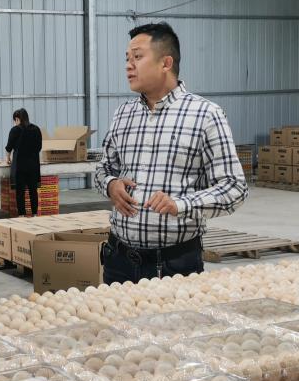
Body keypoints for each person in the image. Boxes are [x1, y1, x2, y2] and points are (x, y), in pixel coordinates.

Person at [95, 22, 248, 284]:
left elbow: (234, 188)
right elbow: (103, 169)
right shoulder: (123, 114)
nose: (128, 66)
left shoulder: (205, 115)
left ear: (166, 63)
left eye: (137, 57)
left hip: (174, 264)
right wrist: (111, 185)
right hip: (118, 259)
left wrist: (180, 204)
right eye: (127, 59)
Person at [5, 108, 43, 216]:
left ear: (17, 119)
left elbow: (9, 147)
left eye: (15, 120)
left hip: (20, 166)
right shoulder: (36, 129)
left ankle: (22, 215)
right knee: (33, 191)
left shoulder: (15, 130)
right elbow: (39, 147)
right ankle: (35, 214)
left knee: (20, 192)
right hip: (33, 165)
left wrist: (8, 158)